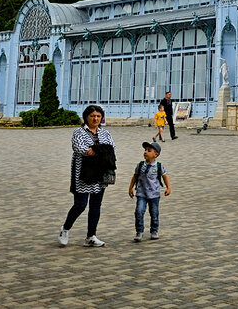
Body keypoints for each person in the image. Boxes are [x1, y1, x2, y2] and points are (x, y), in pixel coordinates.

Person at [59, 104, 117, 247]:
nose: (95, 119)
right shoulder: (78, 132)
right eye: (92, 116)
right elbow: (81, 149)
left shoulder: (105, 133)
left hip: (101, 173)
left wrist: (96, 150)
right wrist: (101, 150)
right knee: (80, 204)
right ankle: (65, 229)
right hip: (84, 173)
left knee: (96, 205)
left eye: (98, 116)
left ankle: (91, 235)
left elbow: (111, 148)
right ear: (86, 117)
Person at [128, 141, 171, 242]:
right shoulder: (140, 165)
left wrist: (168, 187)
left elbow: (165, 177)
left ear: (156, 154)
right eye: (145, 150)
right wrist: (130, 188)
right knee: (139, 211)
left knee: (154, 213)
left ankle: (154, 230)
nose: (145, 152)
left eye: (149, 150)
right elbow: (135, 177)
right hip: (141, 193)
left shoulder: (159, 166)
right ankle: (139, 231)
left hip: (154, 194)